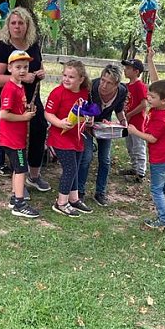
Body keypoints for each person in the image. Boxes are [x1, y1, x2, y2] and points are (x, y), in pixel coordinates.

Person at [0, 7, 50, 193]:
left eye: (21, 23)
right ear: (8, 25)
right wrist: (22, 77)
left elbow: (38, 66)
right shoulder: (2, 47)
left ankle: (34, 175)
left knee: (39, 130)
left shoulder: (33, 45)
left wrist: (40, 73)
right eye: (13, 23)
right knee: (16, 139)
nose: (17, 26)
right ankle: (18, 182)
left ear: (27, 25)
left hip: (31, 99)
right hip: (10, 100)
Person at [128, 49, 165, 231]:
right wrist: (150, 60)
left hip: (160, 158)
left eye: (152, 97)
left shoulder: (161, 119)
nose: (148, 98)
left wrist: (135, 131)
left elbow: (151, 138)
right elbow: (157, 81)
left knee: (156, 189)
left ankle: (164, 221)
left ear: (163, 100)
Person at [45, 59, 93, 217]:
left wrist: (89, 118)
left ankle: (74, 199)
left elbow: (85, 111)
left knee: (76, 168)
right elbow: (48, 113)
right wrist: (59, 123)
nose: (66, 79)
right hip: (60, 138)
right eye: (64, 75)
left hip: (77, 137)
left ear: (81, 79)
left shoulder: (84, 93)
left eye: (71, 77)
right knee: (70, 169)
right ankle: (61, 203)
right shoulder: (57, 93)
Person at [77, 63, 128, 207]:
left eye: (109, 83)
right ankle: (79, 191)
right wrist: (86, 118)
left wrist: (123, 121)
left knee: (105, 159)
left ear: (116, 84)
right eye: (103, 80)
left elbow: (119, 109)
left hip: (104, 127)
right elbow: (81, 106)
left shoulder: (122, 91)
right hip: (87, 125)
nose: (104, 85)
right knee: (86, 157)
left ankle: (101, 192)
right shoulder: (91, 87)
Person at [0, 50, 40, 218]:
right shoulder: (10, 88)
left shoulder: (20, 86)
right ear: (9, 68)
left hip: (18, 137)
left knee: (18, 168)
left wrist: (27, 109)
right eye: (18, 67)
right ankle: (20, 204)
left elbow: (17, 109)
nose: (22, 70)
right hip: (11, 138)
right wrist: (24, 117)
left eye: (26, 67)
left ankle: (15, 198)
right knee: (22, 168)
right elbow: (4, 114)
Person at [121, 58, 148, 181]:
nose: (125, 70)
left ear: (136, 71)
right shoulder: (127, 86)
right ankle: (134, 168)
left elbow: (143, 104)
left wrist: (130, 114)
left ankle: (140, 172)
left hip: (137, 123)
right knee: (130, 146)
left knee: (138, 146)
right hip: (128, 121)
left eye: (128, 68)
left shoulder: (140, 85)